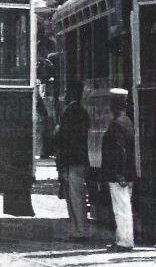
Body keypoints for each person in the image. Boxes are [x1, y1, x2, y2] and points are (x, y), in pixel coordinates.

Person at [101, 88, 136, 252]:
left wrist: (120, 173)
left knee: (121, 208)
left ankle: (125, 242)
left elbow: (121, 150)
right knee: (123, 206)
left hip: (119, 174)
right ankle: (122, 239)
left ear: (114, 104)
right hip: (125, 172)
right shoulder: (127, 121)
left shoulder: (117, 124)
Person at [55, 81, 90, 241]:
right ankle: (78, 230)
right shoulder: (83, 112)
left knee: (74, 198)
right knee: (78, 196)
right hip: (80, 160)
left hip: (71, 162)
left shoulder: (69, 112)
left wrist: (61, 164)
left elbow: (63, 139)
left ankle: (79, 231)